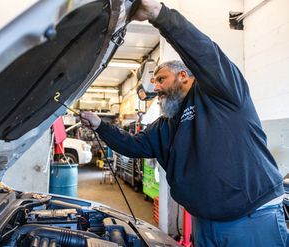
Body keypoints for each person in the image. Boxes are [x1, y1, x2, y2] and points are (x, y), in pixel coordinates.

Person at [80, 0, 287, 246]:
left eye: (160, 79)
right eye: (154, 81)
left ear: (183, 76)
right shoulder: (165, 124)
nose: (155, 87)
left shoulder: (220, 93)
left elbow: (205, 54)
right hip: (205, 221)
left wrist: (160, 15)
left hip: (252, 217)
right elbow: (133, 146)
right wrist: (99, 125)